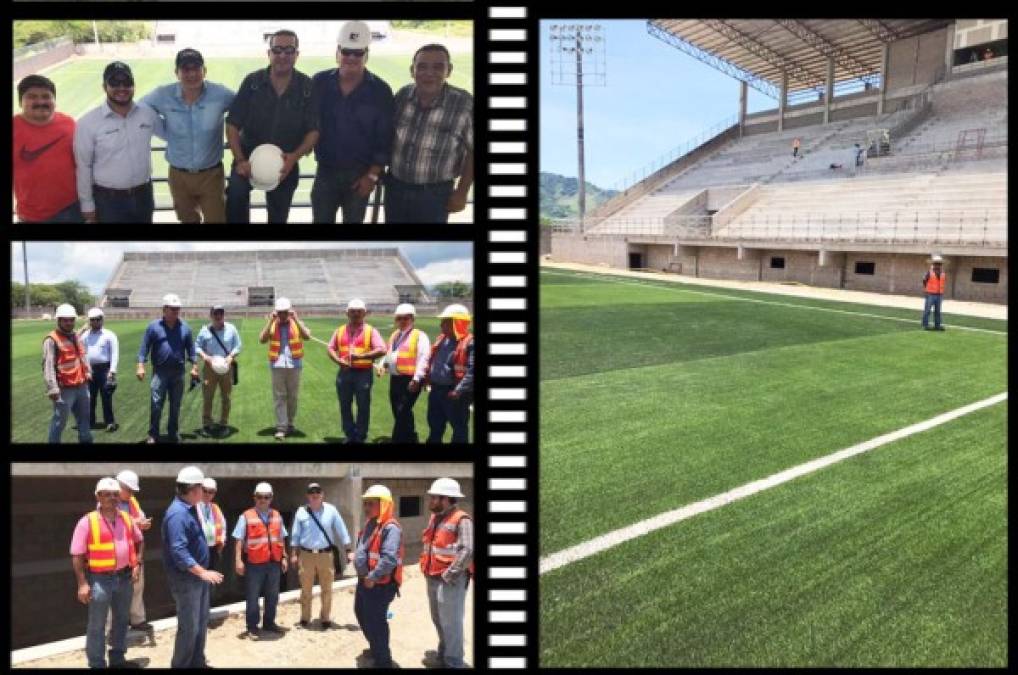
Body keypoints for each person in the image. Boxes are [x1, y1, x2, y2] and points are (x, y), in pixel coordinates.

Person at [225, 30, 319, 224]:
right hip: (247, 158)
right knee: (235, 200)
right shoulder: (252, 82)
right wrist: (240, 159)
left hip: (286, 161)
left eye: (289, 50)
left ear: (296, 54)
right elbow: (232, 124)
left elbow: (314, 130)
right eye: (277, 50)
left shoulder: (307, 87)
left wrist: (294, 157)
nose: (283, 55)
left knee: (278, 217)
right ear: (269, 53)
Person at [311, 21, 395, 224]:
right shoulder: (319, 82)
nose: (351, 58)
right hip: (325, 172)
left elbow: (385, 138)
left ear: (367, 54)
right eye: (347, 51)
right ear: (337, 52)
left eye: (358, 53)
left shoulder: (381, 90)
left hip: (361, 176)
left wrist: (373, 176)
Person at [141, 48, 235, 224]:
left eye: (196, 68)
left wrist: (237, 136)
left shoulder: (221, 94)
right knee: (187, 221)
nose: (191, 74)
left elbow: (243, 108)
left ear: (204, 71)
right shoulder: (162, 94)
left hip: (211, 175)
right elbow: (141, 109)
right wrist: (166, 133)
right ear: (177, 73)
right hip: (178, 176)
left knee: (217, 220)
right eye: (185, 69)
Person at [386, 44, 474, 223]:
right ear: (412, 70)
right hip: (396, 188)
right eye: (422, 66)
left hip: (435, 195)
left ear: (449, 70)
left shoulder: (464, 104)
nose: (429, 73)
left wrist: (462, 192)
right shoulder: (402, 96)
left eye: (438, 67)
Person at [73, 61, 160, 224]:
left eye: (127, 82)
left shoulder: (148, 114)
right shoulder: (87, 122)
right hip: (108, 201)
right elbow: (84, 166)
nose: (122, 88)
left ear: (133, 85)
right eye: (114, 83)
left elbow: (172, 134)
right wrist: (87, 203)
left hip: (144, 196)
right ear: (104, 87)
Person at [71, 477, 144, 669]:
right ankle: (97, 664)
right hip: (99, 580)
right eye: (107, 494)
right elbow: (77, 555)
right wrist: (82, 584)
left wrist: (137, 563)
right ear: (98, 496)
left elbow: (140, 539)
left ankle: (118, 660)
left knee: (121, 621)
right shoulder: (87, 522)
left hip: (125, 577)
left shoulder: (127, 519)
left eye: (115, 495)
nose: (112, 498)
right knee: (97, 625)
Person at [162, 466, 225, 668]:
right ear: (193, 489)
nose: (204, 491)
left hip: (196, 578)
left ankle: (197, 662)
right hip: (187, 579)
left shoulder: (189, 508)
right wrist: (202, 571)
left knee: (200, 622)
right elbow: (179, 551)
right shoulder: (178, 514)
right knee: (189, 627)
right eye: (201, 487)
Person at [13, 74, 82, 223]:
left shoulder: (69, 123)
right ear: (20, 102)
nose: (40, 101)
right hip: (33, 217)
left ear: (54, 100)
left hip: (73, 209)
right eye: (32, 97)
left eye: (46, 96)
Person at [420, 478, 474, 669]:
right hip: (432, 576)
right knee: (438, 619)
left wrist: (448, 575)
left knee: (451, 623)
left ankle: (454, 662)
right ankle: (444, 654)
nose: (431, 500)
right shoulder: (435, 517)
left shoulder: (462, 519)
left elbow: (467, 550)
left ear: (446, 499)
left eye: (434, 497)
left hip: (450, 581)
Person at [353, 484, 404, 669]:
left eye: (371, 504)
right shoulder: (371, 523)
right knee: (361, 614)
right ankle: (376, 648)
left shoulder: (391, 528)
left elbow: (389, 559)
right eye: (365, 503)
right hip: (365, 581)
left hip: (379, 585)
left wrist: (372, 577)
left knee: (376, 621)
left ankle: (383, 661)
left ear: (384, 504)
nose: (366, 507)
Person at [290, 482, 352, 629]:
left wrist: (349, 550)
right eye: (311, 492)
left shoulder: (331, 510)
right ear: (307, 496)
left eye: (318, 491)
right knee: (306, 589)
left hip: (325, 555)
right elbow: (295, 535)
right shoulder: (301, 512)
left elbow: (342, 530)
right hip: (306, 555)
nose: (315, 494)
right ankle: (305, 618)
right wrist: (293, 554)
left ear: (322, 494)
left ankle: (325, 618)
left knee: (327, 588)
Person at [136, 293, 195, 444]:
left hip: (178, 373)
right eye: (173, 309)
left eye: (178, 308)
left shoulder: (185, 327)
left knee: (175, 405)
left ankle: (173, 433)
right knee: (156, 405)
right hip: (160, 373)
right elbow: (144, 347)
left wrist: (194, 366)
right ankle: (153, 434)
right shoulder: (153, 327)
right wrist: (140, 365)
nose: (176, 311)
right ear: (164, 309)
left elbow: (191, 349)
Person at [327, 298, 388, 444]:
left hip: (363, 374)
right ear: (347, 313)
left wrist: (361, 356)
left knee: (363, 406)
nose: (355, 314)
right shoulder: (340, 330)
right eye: (352, 311)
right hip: (344, 373)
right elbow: (330, 348)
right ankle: (349, 434)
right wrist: (338, 360)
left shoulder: (371, 331)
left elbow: (382, 349)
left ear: (364, 313)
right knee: (345, 405)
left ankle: (360, 436)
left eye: (359, 311)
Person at [233, 482, 289, 639]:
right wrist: (238, 560)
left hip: (274, 563)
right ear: (254, 498)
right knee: (253, 596)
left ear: (271, 498)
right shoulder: (246, 516)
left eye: (266, 497)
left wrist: (284, 556)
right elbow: (239, 540)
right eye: (259, 497)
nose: (262, 500)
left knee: (273, 595)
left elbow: (281, 538)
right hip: (254, 564)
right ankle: (252, 627)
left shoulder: (277, 515)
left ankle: (269, 623)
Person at [259, 297, 312, 440]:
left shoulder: (297, 323)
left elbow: (307, 336)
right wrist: (270, 321)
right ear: (276, 312)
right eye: (280, 312)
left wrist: (297, 320)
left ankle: (290, 423)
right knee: (279, 397)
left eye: (285, 312)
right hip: (277, 365)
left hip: (294, 365)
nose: (282, 315)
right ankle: (281, 427)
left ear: (290, 311)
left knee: (293, 397)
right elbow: (262, 339)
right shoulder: (272, 324)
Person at [43, 303, 93, 444]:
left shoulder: (74, 336)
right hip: (64, 389)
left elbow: (80, 355)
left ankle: (86, 441)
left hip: (82, 385)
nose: (69, 323)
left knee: (84, 418)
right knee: (60, 422)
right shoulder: (51, 340)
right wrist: (52, 388)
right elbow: (48, 366)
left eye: (71, 319)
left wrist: (87, 371)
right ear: (58, 320)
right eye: (65, 320)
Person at [381, 303, 430, 443]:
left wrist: (416, 379)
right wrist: (383, 365)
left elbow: (423, 358)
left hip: (411, 380)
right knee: (399, 411)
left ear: (412, 319)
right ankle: (411, 437)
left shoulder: (419, 335)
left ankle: (397, 440)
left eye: (405, 318)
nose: (402, 321)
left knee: (402, 410)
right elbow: (389, 353)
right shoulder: (395, 335)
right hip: (396, 378)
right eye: (399, 318)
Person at [426, 304, 475, 444]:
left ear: (457, 323)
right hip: (436, 390)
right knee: (435, 424)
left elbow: (472, 371)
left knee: (459, 427)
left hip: (454, 393)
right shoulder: (442, 339)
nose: (441, 324)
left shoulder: (469, 343)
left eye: (446, 321)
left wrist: (458, 390)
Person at [114, 470, 154, 632]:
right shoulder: (108, 499)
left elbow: (140, 519)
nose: (131, 493)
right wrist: (135, 522)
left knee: (137, 587)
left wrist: (144, 524)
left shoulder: (132, 501)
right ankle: (112, 628)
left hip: (133, 551)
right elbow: (113, 519)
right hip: (115, 554)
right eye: (128, 490)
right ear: (119, 486)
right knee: (115, 593)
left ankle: (137, 620)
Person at [194, 305, 242, 437]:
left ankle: (224, 424)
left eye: (220, 313)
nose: (218, 316)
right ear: (211, 315)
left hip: (226, 369)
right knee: (207, 397)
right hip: (210, 368)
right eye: (215, 313)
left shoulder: (231, 329)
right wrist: (205, 357)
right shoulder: (204, 331)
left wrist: (231, 356)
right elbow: (197, 346)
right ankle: (206, 424)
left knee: (226, 397)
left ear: (223, 314)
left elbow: (238, 345)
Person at [79, 307, 119, 433]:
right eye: (92, 320)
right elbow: (82, 352)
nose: (95, 322)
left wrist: (112, 371)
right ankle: (90, 422)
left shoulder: (109, 335)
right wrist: (86, 369)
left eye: (97, 319)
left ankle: (110, 422)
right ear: (89, 321)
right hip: (90, 370)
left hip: (105, 369)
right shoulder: (85, 335)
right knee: (89, 398)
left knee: (106, 397)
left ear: (102, 320)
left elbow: (114, 353)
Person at [197, 477, 227, 574]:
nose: (207, 494)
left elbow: (223, 526)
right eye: (205, 491)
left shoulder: (215, 507)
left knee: (211, 580)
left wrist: (221, 541)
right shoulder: (193, 507)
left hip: (213, 549)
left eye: (211, 492)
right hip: (198, 549)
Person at [922, 254, 947, 331]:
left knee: (938, 311)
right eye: (936, 263)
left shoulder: (943, 273)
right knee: (927, 310)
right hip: (930, 294)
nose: (938, 265)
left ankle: (937, 325)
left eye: (939, 264)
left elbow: (942, 283)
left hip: (939, 295)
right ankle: (925, 325)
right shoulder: (929, 273)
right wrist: (927, 290)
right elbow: (924, 281)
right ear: (933, 264)